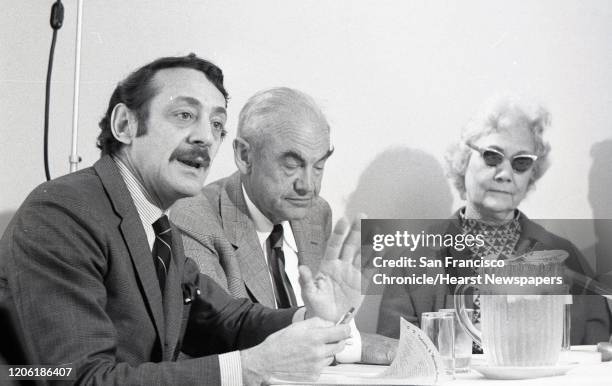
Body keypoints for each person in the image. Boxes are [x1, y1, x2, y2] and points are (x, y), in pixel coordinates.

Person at [0, 54, 365, 385]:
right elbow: (79, 379)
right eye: (184, 115)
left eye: (217, 124)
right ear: (125, 124)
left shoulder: (158, 228)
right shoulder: (63, 213)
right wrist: (247, 369)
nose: (206, 137)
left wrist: (312, 316)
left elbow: (227, 321)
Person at [171, 87, 396, 364]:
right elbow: (220, 339)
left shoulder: (315, 213)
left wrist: (334, 321)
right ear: (244, 156)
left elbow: (326, 322)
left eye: (319, 166)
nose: (308, 186)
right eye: (292, 165)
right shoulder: (194, 218)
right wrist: (353, 345)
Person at [377, 95, 610, 345]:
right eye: (492, 156)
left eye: (521, 162)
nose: (504, 174)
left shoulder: (565, 256)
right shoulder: (414, 259)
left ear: (531, 175)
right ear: (463, 161)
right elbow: (395, 356)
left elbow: (591, 360)